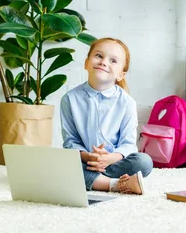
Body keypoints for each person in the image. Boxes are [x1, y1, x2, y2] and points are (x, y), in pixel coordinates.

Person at [60, 37, 153, 194]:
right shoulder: (70, 99)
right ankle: (115, 184)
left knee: (144, 162)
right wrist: (90, 157)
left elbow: (128, 144)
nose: (104, 62)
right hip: (85, 162)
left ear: (121, 75)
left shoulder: (127, 102)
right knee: (61, 162)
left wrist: (109, 158)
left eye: (113, 61)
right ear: (86, 63)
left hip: (115, 162)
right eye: (98, 56)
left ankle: (93, 180)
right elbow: (71, 142)